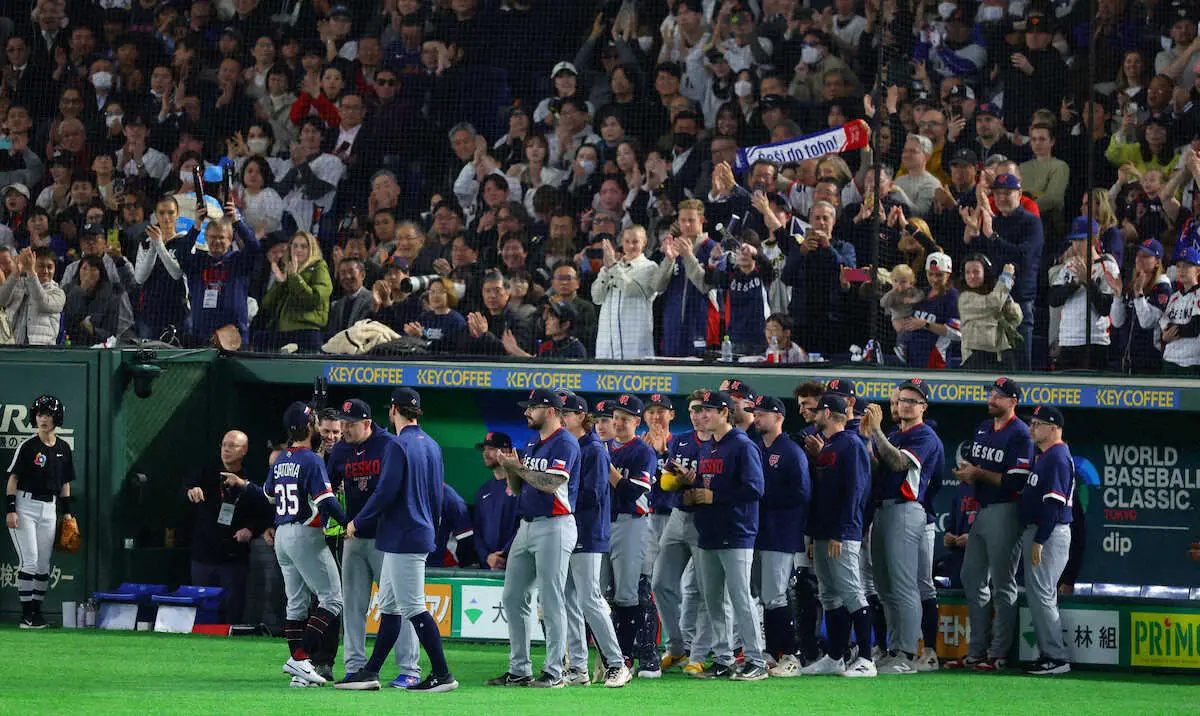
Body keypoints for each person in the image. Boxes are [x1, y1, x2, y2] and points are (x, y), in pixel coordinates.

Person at [338, 389, 458, 693]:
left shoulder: (397, 444)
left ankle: (442, 674)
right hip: (414, 532)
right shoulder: (431, 444)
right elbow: (438, 494)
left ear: (393, 410)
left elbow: (385, 492)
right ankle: (370, 672)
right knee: (390, 605)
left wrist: (357, 522)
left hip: (404, 534)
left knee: (414, 607)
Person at [487, 389, 579, 688]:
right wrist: (511, 470)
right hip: (527, 525)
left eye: (533, 407)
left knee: (551, 599)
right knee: (513, 597)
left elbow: (550, 484)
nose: (527, 412)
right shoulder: (531, 442)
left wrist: (519, 468)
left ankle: (555, 671)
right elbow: (518, 487)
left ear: (551, 411)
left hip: (555, 524)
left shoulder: (565, 442)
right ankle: (519, 669)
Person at [946, 377, 1034, 672]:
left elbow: (1017, 480)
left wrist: (978, 474)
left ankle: (998, 654)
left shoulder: (1020, 433)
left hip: (1007, 509)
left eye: (998, 395)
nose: (991, 399)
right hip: (982, 509)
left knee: (1003, 583)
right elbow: (977, 468)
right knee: (971, 577)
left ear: (1013, 401)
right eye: (991, 394)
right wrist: (969, 474)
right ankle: (976, 652)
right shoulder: (983, 428)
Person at [859, 380, 944, 674]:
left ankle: (907, 653)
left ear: (923, 407)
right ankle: (894, 649)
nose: (906, 404)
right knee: (884, 585)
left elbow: (898, 463)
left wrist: (877, 432)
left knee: (905, 585)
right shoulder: (895, 434)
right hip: (883, 508)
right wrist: (867, 440)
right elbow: (877, 467)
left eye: (913, 400)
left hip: (906, 509)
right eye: (903, 399)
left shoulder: (925, 435)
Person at [683, 390, 768, 680]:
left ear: (724, 413)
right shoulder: (707, 446)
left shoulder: (742, 445)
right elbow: (707, 484)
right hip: (709, 531)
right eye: (699, 410)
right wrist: (692, 492)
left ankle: (756, 660)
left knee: (741, 598)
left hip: (736, 531)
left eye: (708, 410)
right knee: (713, 602)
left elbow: (755, 489)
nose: (702, 415)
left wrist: (714, 496)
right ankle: (723, 658)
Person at [262, 402, 347, 687]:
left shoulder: (281, 459)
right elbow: (327, 501)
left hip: (282, 534)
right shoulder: (311, 459)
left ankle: (301, 672)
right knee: (332, 598)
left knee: (297, 605)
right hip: (305, 533)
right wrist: (349, 523)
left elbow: (269, 494)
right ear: (309, 427)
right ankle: (300, 658)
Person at [325, 398, 407, 687]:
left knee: (398, 605)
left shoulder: (388, 445)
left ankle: (409, 669)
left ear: (368, 423)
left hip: (387, 539)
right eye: (343, 423)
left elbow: (389, 491)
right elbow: (327, 487)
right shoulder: (340, 450)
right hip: (354, 538)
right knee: (353, 605)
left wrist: (355, 521)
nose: (345, 429)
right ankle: (355, 667)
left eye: (351, 424)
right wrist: (338, 518)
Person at [558, 392, 632, 688]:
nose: (561, 419)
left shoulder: (593, 449)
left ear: (580, 416)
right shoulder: (571, 445)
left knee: (589, 598)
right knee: (569, 599)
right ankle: (577, 667)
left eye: (565, 413)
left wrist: (557, 494)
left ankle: (616, 663)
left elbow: (594, 494)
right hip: (568, 529)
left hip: (587, 531)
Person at [800, 393, 875, 678]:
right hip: (823, 532)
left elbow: (856, 491)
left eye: (818, 411)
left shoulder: (851, 443)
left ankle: (866, 659)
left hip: (841, 534)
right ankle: (835, 656)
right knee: (829, 595)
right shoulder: (829, 445)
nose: (814, 416)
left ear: (828, 413)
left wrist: (840, 532)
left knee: (852, 592)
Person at [652, 390, 723, 675]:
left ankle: (700, 654)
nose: (697, 415)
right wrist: (679, 482)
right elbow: (666, 480)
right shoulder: (681, 440)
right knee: (660, 583)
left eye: (703, 410)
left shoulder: (722, 443)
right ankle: (677, 648)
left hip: (708, 519)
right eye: (693, 410)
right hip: (678, 515)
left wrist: (701, 487)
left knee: (707, 591)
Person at [184, 430, 270, 625]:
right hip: (203, 555)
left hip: (234, 557)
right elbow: (185, 489)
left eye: (232, 445)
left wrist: (251, 529)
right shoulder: (206, 471)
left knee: (232, 610)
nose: (226, 449)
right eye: (224, 445)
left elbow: (265, 510)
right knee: (203, 611)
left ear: (244, 450)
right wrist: (191, 490)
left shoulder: (251, 479)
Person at [751, 396, 810, 677]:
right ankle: (772, 652)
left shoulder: (790, 451)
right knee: (763, 595)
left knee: (775, 595)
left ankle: (791, 655)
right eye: (755, 413)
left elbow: (802, 493)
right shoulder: (757, 448)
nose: (757, 418)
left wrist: (763, 496)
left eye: (762, 413)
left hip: (782, 533)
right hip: (759, 532)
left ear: (778, 417)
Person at [5, 395, 74, 629]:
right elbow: (13, 479)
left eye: (48, 415)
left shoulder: (64, 448)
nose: (43, 419)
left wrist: (67, 513)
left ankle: (37, 612)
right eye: (39, 415)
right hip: (25, 506)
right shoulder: (28, 446)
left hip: (50, 508)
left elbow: (65, 483)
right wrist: (11, 510)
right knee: (30, 561)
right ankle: (26, 615)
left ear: (57, 418)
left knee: (44, 564)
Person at [606, 393, 660, 678]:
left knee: (629, 594)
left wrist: (608, 469)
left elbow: (631, 492)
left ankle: (630, 655)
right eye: (615, 418)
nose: (618, 423)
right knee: (601, 594)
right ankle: (610, 655)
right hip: (603, 524)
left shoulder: (643, 451)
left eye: (625, 419)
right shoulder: (604, 447)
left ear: (637, 422)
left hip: (631, 523)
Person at [1020, 405, 1075, 676]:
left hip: (1050, 533)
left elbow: (1053, 505)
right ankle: (1049, 654)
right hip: (1044, 531)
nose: (1031, 428)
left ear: (1053, 429)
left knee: (1043, 595)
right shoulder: (1046, 456)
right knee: (1041, 594)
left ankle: (1056, 656)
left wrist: (1040, 540)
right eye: (1031, 423)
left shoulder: (1057, 457)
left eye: (1037, 424)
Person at [1048, 217, 1120, 370]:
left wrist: (1088, 281)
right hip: (1067, 339)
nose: (1076, 245)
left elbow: (1105, 308)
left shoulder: (1107, 265)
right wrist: (1075, 283)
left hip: (1095, 340)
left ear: (1094, 240)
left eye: (1081, 240)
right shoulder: (1069, 265)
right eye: (1074, 240)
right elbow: (1054, 299)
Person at [592, 225, 657, 359]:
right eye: (627, 241)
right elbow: (596, 298)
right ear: (621, 242)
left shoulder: (649, 267)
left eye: (635, 242)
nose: (630, 246)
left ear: (644, 242)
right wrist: (606, 270)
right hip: (606, 347)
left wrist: (613, 266)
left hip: (634, 347)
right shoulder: (609, 267)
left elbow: (631, 291)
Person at [958, 255, 1020, 370]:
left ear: (985, 273)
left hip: (1002, 355)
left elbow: (1016, 317)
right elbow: (993, 304)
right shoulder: (964, 298)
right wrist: (1006, 279)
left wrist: (1007, 300)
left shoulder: (998, 292)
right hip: (975, 358)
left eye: (976, 272)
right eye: (967, 272)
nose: (971, 276)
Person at [472, 432, 520, 570]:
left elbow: (525, 525)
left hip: (516, 563)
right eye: (484, 449)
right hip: (488, 566)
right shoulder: (484, 490)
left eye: (491, 449)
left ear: (506, 451)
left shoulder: (520, 486)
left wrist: (504, 554)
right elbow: (477, 530)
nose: (485, 454)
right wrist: (487, 557)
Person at [0, 247, 64, 345]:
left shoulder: (58, 293)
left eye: (50, 267)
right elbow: (2, 301)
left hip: (42, 349)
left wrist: (31, 272)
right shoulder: (19, 284)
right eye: (41, 266)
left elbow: (42, 304)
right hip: (13, 346)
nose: (46, 271)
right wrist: (16, 272)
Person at [1159, 247, 1200, 375]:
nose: (1181, 270)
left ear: (1197, 270)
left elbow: (1194, 327)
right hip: (1169, 359)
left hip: (1191, 362)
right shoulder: (1173, 297)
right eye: (1178, 266)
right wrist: (1165, 336)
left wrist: (1172, 330)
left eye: (1187, 266)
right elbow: (1164, 328)